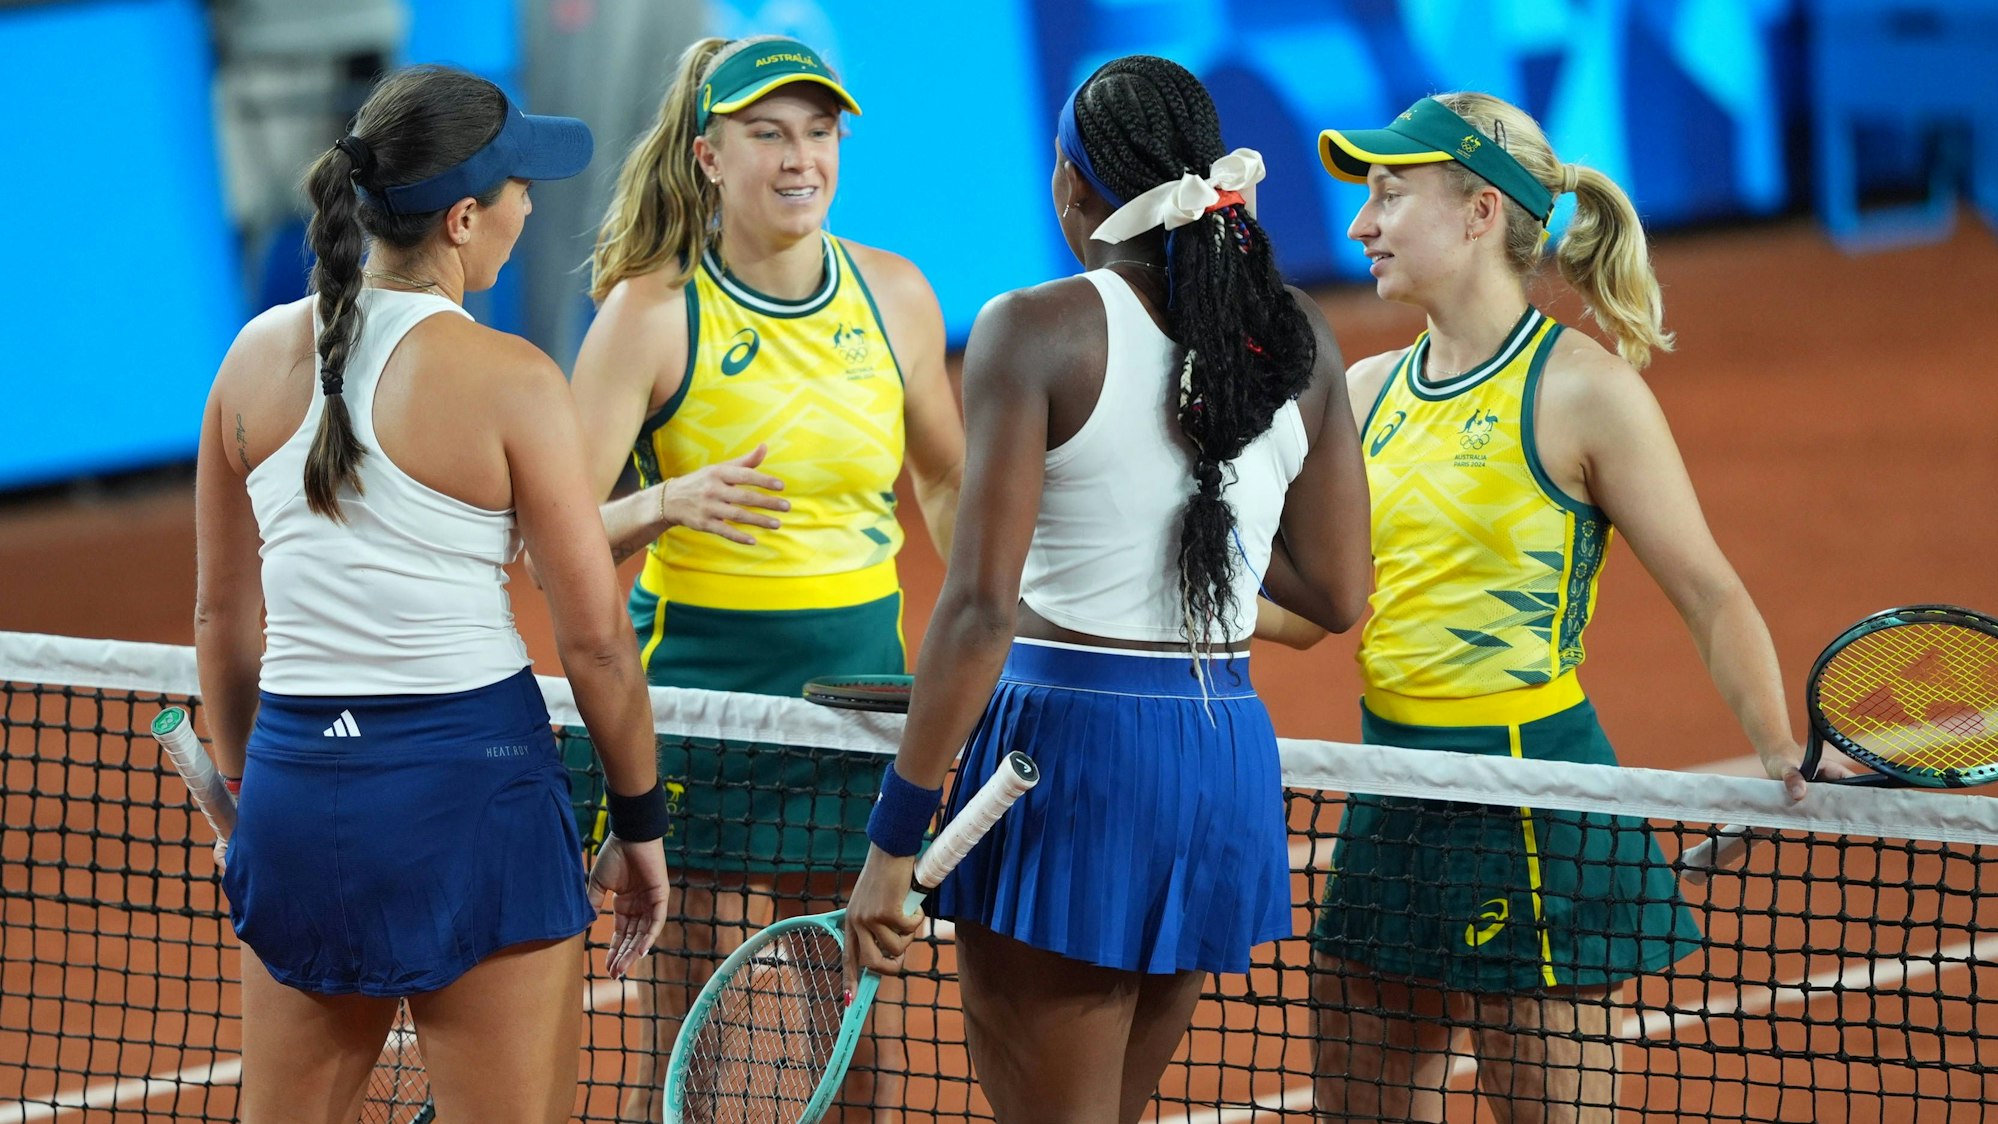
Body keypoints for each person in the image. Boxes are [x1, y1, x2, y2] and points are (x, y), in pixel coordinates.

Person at [842, 55, 1372, 1123]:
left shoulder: (1034, 328)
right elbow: (1336, 592)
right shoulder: (1299, 333)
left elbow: (979, 607)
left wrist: (894, 839)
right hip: (1221, 750)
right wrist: (1207, 518)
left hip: (1063, 758)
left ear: (1075, 187)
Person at [1295, 93, 1842, 1122]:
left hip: (1535, 805)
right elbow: (1314, 601)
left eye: (1389, 192)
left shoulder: (1583, 392)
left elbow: (1709, 587)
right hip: (1391, 789)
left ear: (1478, 213)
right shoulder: (1365, 390)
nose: (1361, 223)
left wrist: (1776, 746)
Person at [190, 66, 674, 1124]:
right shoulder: (511, 379)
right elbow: (594, 641)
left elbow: (225, 622)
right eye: (517, 190)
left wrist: (244, 798)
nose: (531, 206)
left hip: (294, 791)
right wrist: (639, 820)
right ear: (464, 218)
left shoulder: (248, 358)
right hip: (474, 795)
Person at [566, 35, 965, 1121]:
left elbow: (948, 482)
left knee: (855, 1038)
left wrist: (999, 621)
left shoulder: (895, 296)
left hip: (854, 710)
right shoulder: (652, 313)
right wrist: (662, 501)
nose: (801, 159)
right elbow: (547, 536)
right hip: (694, 707)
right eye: (767, 134)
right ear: (708, 155)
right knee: (689, 1019)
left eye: (819, 131)